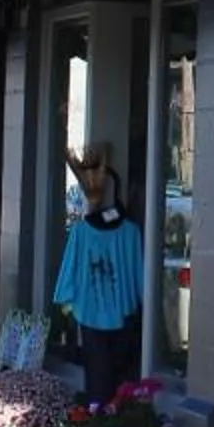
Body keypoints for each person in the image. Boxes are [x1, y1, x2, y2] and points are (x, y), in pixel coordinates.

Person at [53, 142, 144, 403]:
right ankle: (108, 411)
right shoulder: (127, 233)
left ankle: (99, 411)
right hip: (118, 312)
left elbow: (69, 272)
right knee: (115, 374)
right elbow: (139, 278)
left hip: (93, 312)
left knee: (99, 376)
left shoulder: (86, 232)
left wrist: (67, 304)